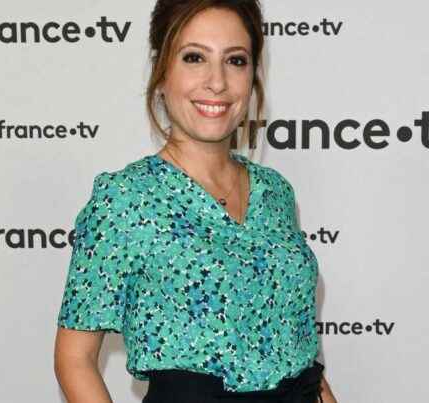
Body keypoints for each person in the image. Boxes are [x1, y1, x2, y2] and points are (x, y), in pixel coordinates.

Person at [54, 1, 340, 402]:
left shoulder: (274, 191)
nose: (217, 82)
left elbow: (300, 356)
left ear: (253, 76)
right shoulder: (126, 198)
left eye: (235, 61)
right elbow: (75, 359)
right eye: (194, 58)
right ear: (162, 72)